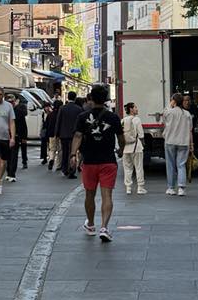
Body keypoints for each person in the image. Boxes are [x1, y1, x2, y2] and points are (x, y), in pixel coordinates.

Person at [72, 85, 124, 242]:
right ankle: (104, 227)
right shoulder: (113, 117)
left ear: (90, 99)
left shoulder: (82, 117)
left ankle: (91, 225)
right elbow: (121, 138)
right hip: (108, 161)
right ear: (106, 99)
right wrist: (121, 150)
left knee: (90, 194)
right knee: (107, 194)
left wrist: (73, 154)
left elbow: (78, 136)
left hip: (89, 161)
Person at [162, 93, 194, 196]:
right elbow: (190, 130)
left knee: (170, 165)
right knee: (181, 165)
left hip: (170, 141)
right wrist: (191, 144)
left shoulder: (169, 112)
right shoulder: (187, 114)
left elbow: (164, 119)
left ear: (174, 101)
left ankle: (171, 188)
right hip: (183, 142)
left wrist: (170, 105)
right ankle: (181, 188)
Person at [121, 101, 146, 196]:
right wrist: (143, 144)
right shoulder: (137, 120)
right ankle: (140, 187)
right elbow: (141, 134)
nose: (137, 109)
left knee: (127, 168)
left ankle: (128, 188)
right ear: (131, 109)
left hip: (126, 148)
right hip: (136, 147)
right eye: (135, 107)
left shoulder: (123, 120)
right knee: (139, 168)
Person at [57, 93, 84, 177]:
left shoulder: (62, 108)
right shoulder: (79, 109)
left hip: (64, 134)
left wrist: (57, 133)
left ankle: (65, 169)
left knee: (65, 152)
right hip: (75, 135)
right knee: (73, 152)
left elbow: (59, 121)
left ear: (68, 98)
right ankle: (72, 170)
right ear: (75, 98)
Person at [6, 94, 29, 179]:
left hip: (16, 136)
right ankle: (8, 171)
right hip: (5, 136)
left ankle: (12, 173)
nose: (11, 104)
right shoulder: (5, 112)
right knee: (7, 155)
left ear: (14, 102)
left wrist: (24, 137)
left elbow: (23, 125)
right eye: (9, 102)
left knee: (14, 155)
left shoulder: (19, 111)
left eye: (12, 102)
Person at [42, 95, 62, 167]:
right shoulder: (61, 114)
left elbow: (46, 125)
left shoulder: (50, 115)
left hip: (51, 133)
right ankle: (58, 165)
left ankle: (51, 159)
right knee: (60, 149)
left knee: (52, 149)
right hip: (59, 134)